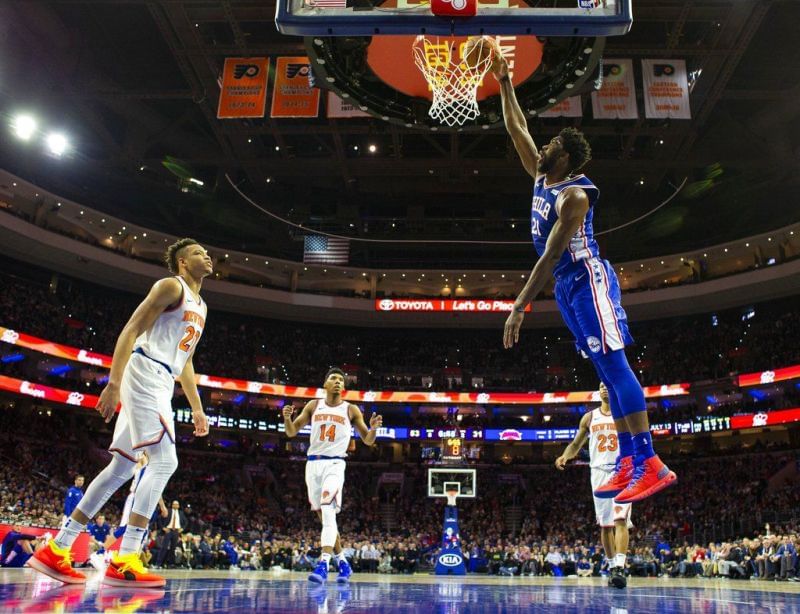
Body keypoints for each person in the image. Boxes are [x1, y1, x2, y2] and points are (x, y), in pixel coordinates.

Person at [490, 40, 676, 505]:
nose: (543, 146)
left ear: (566, 159)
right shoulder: (541, 175)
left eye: (552, 145)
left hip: (586, 277)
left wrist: (518, 306)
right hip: (567, 288)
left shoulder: (574, 195)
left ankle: (649, 460)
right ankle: (632, 461)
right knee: (602, 370)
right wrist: (505, 80)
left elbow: (553, 254)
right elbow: (516, 127)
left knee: (615, 365)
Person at [28, 238, 212, 587]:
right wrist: (114, 383)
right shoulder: (171, 285)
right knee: (164, 462)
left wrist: (197, 407)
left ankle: (58, 548)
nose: (208, 256)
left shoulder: (202, 306)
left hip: (163, 378)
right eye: (199, 252)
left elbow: (185, 361)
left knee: (122, 468)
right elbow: (131, 329)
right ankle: (126, 558)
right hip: (145, 371)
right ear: (183, 262)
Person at [282, 368, 383, 583]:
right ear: (325, 384)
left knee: (328, 511)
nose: (337, 381)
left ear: (343, 386)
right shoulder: (313, 405)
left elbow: (368, 440)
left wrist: (373, 429)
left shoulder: (351, 409)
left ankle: (323, 564)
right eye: (333, 378)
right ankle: (343, 563)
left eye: (341, 379)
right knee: (325, 518)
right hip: (312, 465)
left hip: (335, 464)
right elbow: (291, 432)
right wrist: (287, 419)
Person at [556, 382, 631, 588]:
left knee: (620, 520)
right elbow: (576, 444)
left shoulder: (625, 413)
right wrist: (565, 456)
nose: (605, 388)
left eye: (608, 385)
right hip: (598, 472)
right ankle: (611, 564)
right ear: (598, 391)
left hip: (621, 471)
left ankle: (620, 565)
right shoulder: (589, 417)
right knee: (606, 525)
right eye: (601, 386)